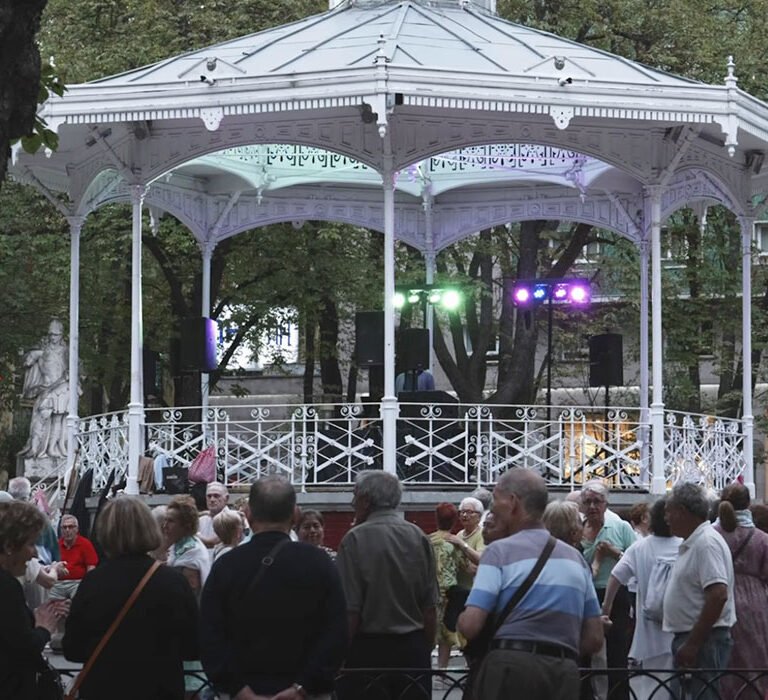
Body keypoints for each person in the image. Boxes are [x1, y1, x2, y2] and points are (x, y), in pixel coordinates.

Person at [458, 470, 603, 700]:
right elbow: (594, 637)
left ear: (513, 503)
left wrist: (460, 617)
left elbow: (470, 626)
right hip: (563, 671)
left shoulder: (498, 552)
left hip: (511, 669)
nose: (492, 507)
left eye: (496, 499)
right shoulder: (576, 560)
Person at [201, 476, 347, 700]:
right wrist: (302, 687)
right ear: (295, 515)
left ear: (248, 514)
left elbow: (210, 634)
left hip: (242, 691)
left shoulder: (226, 565)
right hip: (308, 693)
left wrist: (239, 689)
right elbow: (336, 631)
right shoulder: (319, 563)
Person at [63, 496, 199, 700]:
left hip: (105, 689)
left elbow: (73, 649)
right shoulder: (172, 582)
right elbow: (193, 647)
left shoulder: (93, 582)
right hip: (160, 689)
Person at [336, 470, 437, 700]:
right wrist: (425, 648)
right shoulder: (419, 536)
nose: (352, 503)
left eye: (355, 496)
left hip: (367, 653)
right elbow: (429, 606)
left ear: (365, 500)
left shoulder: (354, 539)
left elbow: (350, 609)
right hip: (412, 650)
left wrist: (340, 657)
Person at [601, 498, 681, 700]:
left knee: (647, 688)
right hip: (679, 631)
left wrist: (606, 608)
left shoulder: (640, 548)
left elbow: (616, 577)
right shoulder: (684, 546)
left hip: (647, 635)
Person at [663, 482, 735, 700]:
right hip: (696, 639)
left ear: (682, 512)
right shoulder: (695, 542)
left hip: (704, 641)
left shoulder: (706, 543)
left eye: (669, 511)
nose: (666, 517)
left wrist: (693, 643)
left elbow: (718, 594)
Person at [0, 500, 66, 699]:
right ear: (10, 546)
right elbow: (24, 647)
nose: (35, 553)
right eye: (31, 543)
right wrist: (44, 628)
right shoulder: (6, 587)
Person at [580, 480, 636, 700]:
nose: (592, 506)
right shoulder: (579, 527)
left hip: (614, 595)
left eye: (597, 501)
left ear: (606, 503)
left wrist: (615, 553)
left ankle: (618, 696)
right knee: (583, 649)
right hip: (587, 594)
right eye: (588, 502)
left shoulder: (620, 526)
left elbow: (634, 563)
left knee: (616, 651)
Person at [713, 483, 768, 699]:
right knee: (753, 659)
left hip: (719, 599)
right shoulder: (761, 539)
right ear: (748, 504)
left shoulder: (711, 535)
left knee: (724, 660)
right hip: (754, 604)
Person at [19, 318, 74, 459]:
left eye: (55, 334)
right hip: (46, 390)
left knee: (59, 420)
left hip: (61, 389)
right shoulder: (42, 351)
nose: (52, 337)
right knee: (41, 418)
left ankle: (53, 448)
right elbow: (26, 362)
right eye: (50, 334)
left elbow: (76, 370)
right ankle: (36, 448)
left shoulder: (66, 351)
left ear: (61, 335)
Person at [429, 502, 461, 670]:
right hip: (449, 592)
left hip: (430, 591)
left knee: (429, 629)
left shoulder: (427, 540)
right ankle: (442, 670)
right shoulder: (455, 542)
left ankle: (425, 669)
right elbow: (465, 566)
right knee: (446, 633)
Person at [198, 482, 230, 548]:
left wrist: (191, 533)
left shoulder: (233, 518)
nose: (212, 499)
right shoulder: (201, 520)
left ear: (226, 498)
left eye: (216, 496)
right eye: (209, 496)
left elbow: (212, 543)